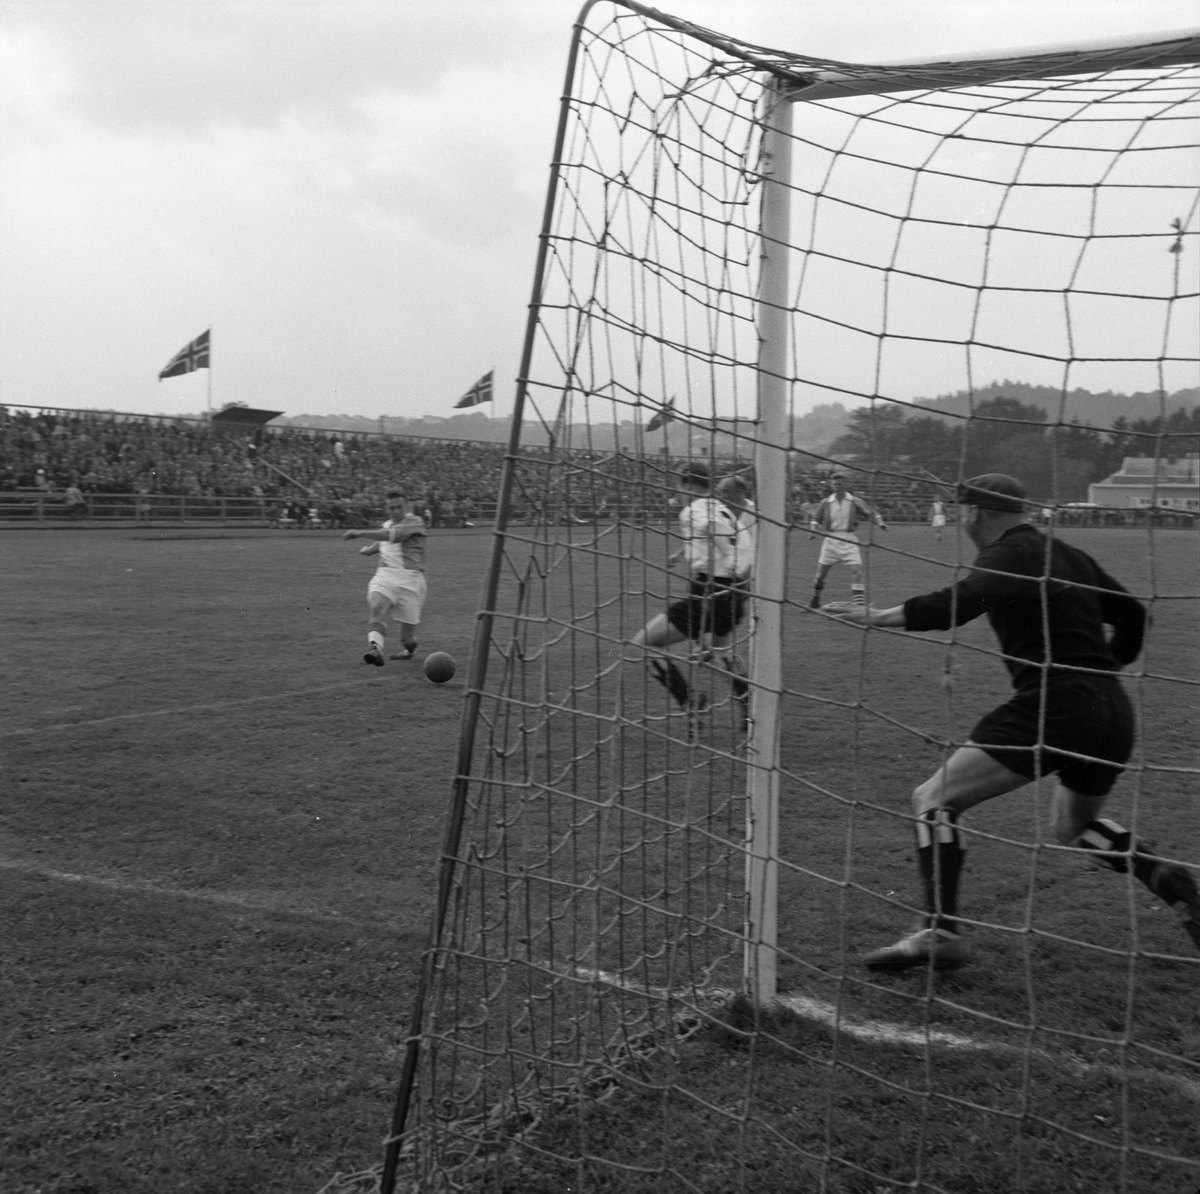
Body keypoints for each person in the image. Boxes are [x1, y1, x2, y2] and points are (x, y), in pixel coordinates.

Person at [829, 473, 1199, 970]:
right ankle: (1167, 878)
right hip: (1111, 711)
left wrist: (875, 617)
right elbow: (1134, 615)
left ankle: (941, 931)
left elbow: (961, 601)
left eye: (963, 512)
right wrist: (1104, 672)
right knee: (1075, 825)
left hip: (1057, 704)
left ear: (975, 513)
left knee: (933, 799)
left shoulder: (1008, 554)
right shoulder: (1065, 553)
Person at [630, 462, 744, 733]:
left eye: (680, 486)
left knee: (640, 646)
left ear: (688, 485)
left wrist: (719, 559)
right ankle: (748, 701)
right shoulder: (722, 509)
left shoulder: (691, 510)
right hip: (734, 593)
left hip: (708, 592)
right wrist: (681, 554)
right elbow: (710, 535)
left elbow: (710, 536)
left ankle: (690, 699)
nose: (678, 492)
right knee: (720, 653)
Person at [343, 488, 428, 665]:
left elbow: (391, 536)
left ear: (406, 506)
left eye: (399, 507)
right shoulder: (388, 524)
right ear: (387, 508)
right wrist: (369, 550)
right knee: (376, 607)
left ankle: (409, 650)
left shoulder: (414, 521)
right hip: (386, 575)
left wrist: (360, 533)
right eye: (392, 508)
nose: (396, 511)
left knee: (407, 639)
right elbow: (382, 541)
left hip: (410, 580)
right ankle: (375, 650)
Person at [809, 473, 887, 608]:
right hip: (830, 540)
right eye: (835, 484)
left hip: (849, 539)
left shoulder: (855, 501)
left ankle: (859, 606)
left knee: (857, 571)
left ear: (845, 485)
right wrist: (813, 529)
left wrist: (880, 523)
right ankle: (814, 600)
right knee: (820, 576)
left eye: (839, 484)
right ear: (831, 485)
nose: (837, 487)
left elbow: (871, 513)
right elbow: (815, 518)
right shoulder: (826, 502)